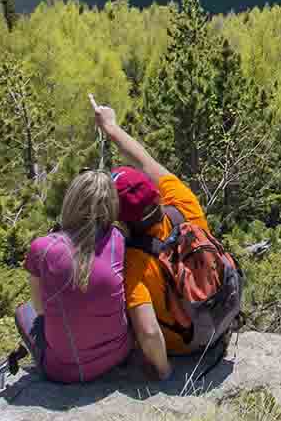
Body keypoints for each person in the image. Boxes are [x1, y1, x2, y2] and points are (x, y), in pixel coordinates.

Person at [91, 104, 213, 381]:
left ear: (120, 220)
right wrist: (111, 127)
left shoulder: (134, 264)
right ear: (156, 195)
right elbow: (145, 161)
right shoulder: (184, 204)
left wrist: (163, 371)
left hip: (186, 345)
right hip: (218, 318)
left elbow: (147, 331)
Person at [17, 168, 133, 383]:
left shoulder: (43, 247)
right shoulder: (118, 239)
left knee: (24, 311)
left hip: (68, 371)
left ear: (71, 200)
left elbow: (40, 309)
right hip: (119, 354)